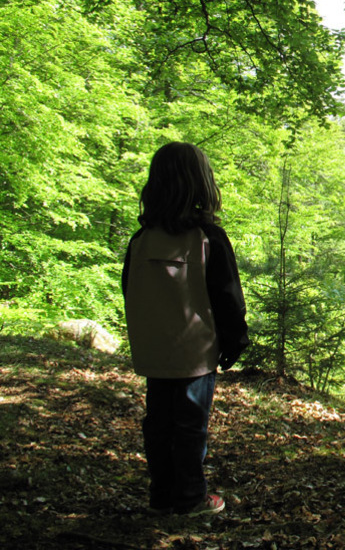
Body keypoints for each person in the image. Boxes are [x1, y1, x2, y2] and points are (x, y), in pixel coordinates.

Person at [122, 142, 249, 516]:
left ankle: (162, 494)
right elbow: (228, 297)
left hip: (154, 351)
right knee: (191, 426)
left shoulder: (142, 238)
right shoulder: (207, 237)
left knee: (158, 425)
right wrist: (235, 341)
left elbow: (129, 286)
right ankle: (191, 497)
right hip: (195, 353)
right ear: (202, 184)